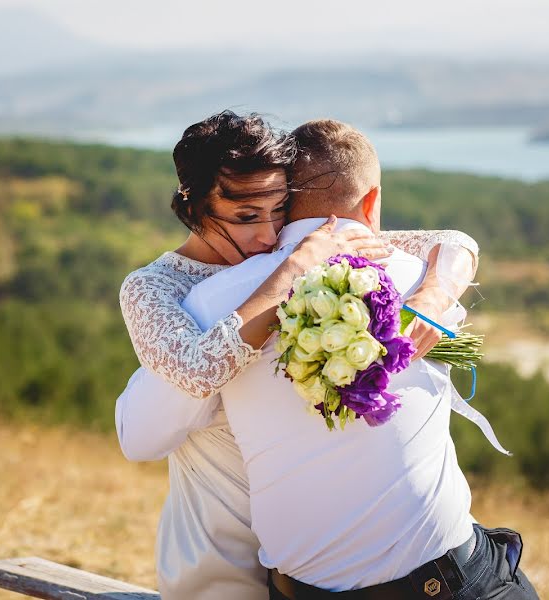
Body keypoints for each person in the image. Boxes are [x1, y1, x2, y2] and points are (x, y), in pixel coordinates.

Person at [118, 111, 481, 600]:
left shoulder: (301, 246)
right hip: (224, 538)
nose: (269, 236)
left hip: (306, 547)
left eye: (278, 212)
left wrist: (435, 294)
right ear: (193, 206)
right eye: (247, 217)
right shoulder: (155, 288)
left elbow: (451, 242)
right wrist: (290, 270)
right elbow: (194, 370)